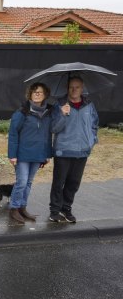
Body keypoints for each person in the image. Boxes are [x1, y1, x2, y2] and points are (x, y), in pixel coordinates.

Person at [49, 76, 99, 223]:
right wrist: (62, 114)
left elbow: (94, 124)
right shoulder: (59, 104)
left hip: (82, 151)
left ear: (82, 88)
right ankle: (55, 211)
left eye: (77, 87)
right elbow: (53, 128)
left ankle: (66, 209)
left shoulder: (89, 105)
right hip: (63, 150)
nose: (74, 90)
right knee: (59, 182)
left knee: (74, 182)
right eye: (71, 87)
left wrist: (91, 141)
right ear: (67, 88)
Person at [7, 83, 53, 224]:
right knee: (21, 182)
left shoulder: (48, 113)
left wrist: (47, 154)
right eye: (34, 92)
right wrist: (12, 155)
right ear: (30, 95)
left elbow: (48, 135)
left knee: (29, 183)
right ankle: (14, 208)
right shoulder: (22, 112)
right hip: (22, 155)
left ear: (45, 95)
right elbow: (13, 134)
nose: (37, 94)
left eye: (40, 92)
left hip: (38, 154)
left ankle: (22, 207)